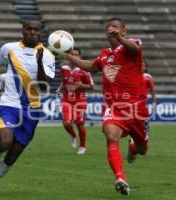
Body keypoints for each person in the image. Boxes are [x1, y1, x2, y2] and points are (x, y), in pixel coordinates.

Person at [62, 17, 149, 196]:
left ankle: (134, 145)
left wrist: (121, 39)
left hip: (135, 107)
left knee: (142, 150)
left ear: (124, 31)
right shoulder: (104, 54)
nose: (111, 30)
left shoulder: (132, 46)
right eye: (108, 28)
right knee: (111, 137)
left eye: (115, 27)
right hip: (113, 106)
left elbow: (135, 48)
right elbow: (90, 66)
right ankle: (120, 178)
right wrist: (67, 55)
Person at [0, 20, 55, 195]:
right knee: (5, 141)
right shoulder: (9, 48)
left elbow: (45, 87)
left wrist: (39, 63)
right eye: (29, 29)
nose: (32, 32)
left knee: (12, 155)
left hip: (32, 109)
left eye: (36, 30)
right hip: (9, 104)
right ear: (23, 31)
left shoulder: (47, 55)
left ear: (40, 33)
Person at [56, 48, 94, 155]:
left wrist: (80, 85)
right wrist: (60, 88)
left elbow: (91, 86)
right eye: (72, 54)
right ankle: (73, 135)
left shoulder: (84, 70)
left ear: (80, 57)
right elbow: (65, 80)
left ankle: (82, 146)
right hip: (67, 99)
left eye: (76, 55)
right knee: (66, 123)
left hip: (80, 100)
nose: (74, 56)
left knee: (80, 124)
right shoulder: (64, 68)